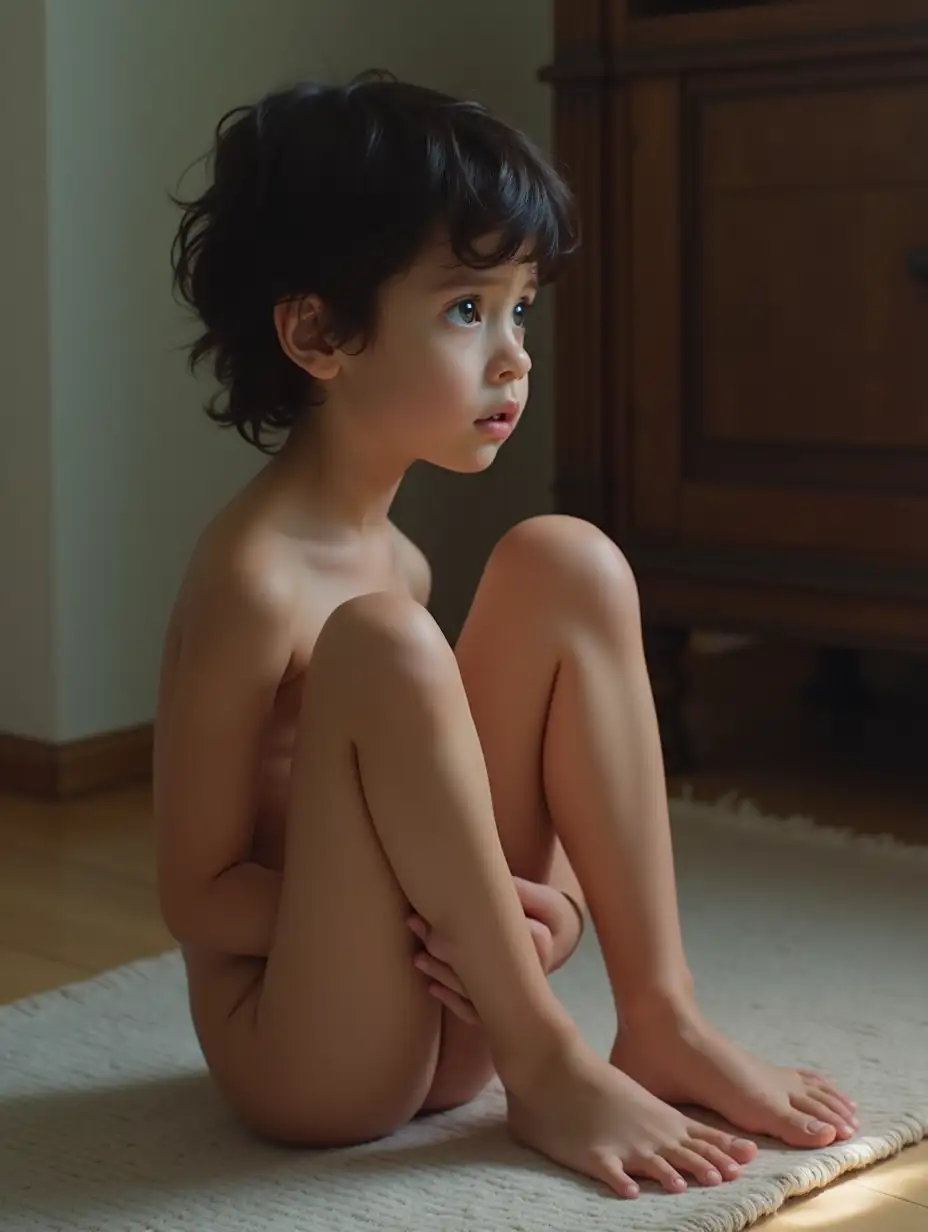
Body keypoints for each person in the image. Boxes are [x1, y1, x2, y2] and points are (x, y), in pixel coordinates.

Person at [154, 71, 856, 1201]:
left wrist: (550, 909)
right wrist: (447, 909)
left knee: (564, 557)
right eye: (465, 309)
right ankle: (545, 1060)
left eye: (520, 308)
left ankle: (661, 1014)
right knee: (388, 641)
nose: (514, 353)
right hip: (308, 1048)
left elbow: (492, 785)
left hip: (452, 990)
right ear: (318, 332)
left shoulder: (404, 555)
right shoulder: (252, 576)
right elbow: (197, 895)